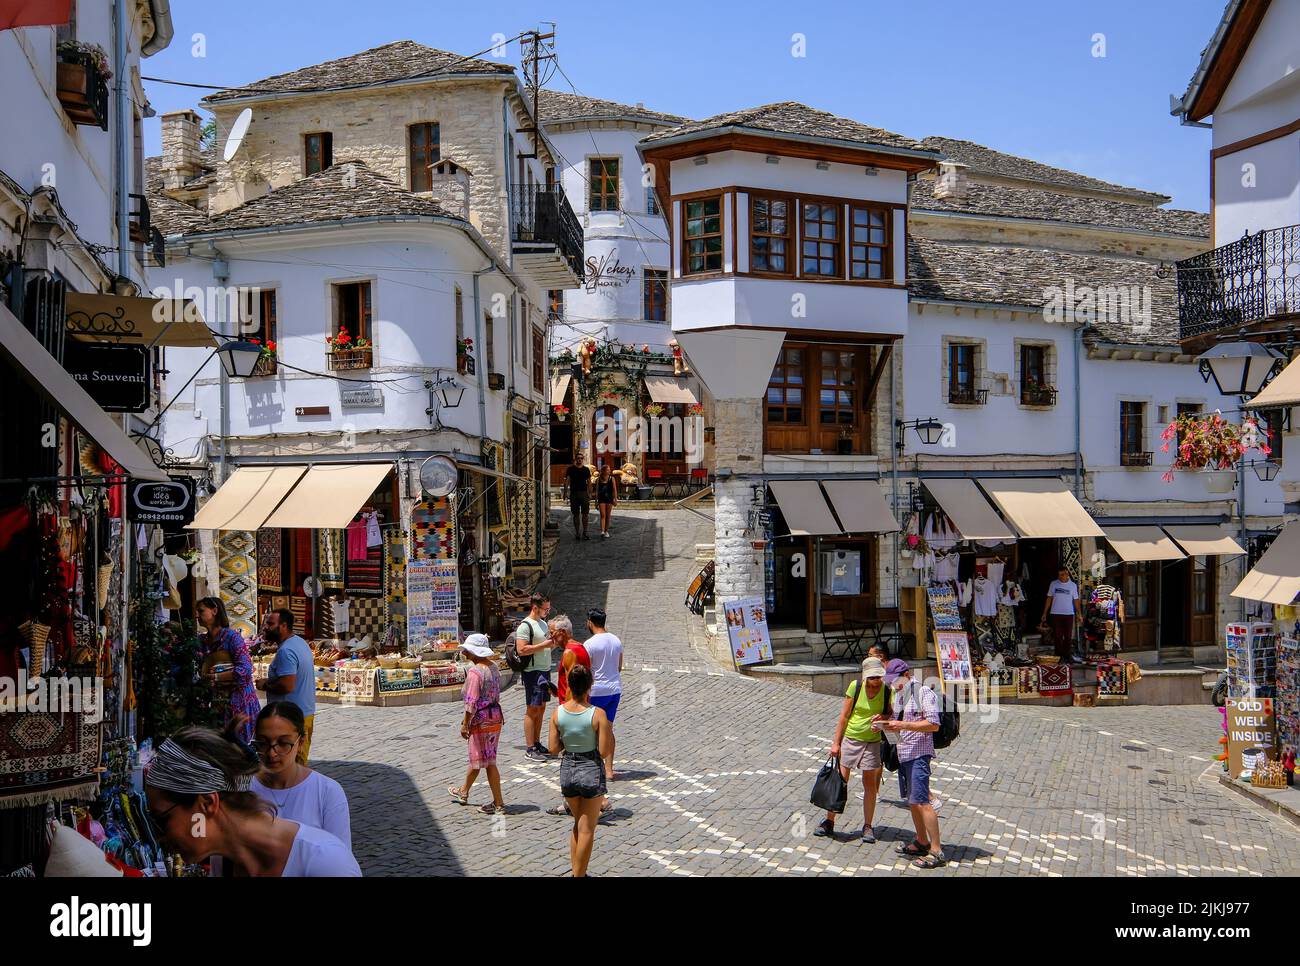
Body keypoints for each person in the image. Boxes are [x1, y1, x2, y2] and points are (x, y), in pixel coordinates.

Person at [145, 726, 360, 876]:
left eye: (162, 819)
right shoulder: (225, 861)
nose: (160, 837)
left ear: (207, 804)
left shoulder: (325, 862)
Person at [874, 659, 944, 869]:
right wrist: (884, 721)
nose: (891, 685)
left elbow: (933, 724)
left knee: (923, 802)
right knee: (913, 801)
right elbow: (897, 719)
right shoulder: (900, 695)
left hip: (919, 755)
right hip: (904, 753)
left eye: (893, 680)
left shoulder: (923, 693)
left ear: (906, 674)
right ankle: (922, 841)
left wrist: (901, 724)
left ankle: (937, 850)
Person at [250, 702, 351, 846]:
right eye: (263, 743)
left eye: (283, 743)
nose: (272, 753)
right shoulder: (243, 790)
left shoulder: (327, 792)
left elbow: (341, 856)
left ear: (301, 742)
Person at [547, 665, 613, 877]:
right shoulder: (598, 715)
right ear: (589, 686)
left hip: (568, 769)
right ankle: (578, 875)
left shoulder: (558, 713)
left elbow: (553, 748)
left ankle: (578, 871)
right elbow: (603, 751)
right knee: (587, 829)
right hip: (590, 769)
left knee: (577, 824)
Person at [815, 656, 889, 843]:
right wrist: (836, 743)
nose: (875, 683)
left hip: (872, 741)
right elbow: (844, 717)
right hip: (851, 739)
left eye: (878, 678)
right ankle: (829, 821)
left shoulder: (888, 690)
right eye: (872, 679)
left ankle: (868, 826)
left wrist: (883, 718)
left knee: (870, 785)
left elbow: (891, 714)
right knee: (840, 780)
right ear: (865, 677)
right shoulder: (855, 688)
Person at [448, 634, 506, 814]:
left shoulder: (475, 672)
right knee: (485, 759)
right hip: (495, 716)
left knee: (484, 761)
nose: (464, 652)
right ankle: (464, 791)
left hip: (481, 719)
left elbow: (471, 702)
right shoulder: (493, 668)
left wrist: (465, 724)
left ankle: (498, 803)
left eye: (467, 649)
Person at [195, 597, 260, 746]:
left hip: (239, 705)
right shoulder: (201, 641)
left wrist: (216, 677)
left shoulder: (232, 638)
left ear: (215, 611)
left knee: (238, 751)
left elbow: (244, 670)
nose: (197, 616)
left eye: (201, 611)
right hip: (217, 706)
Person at [257, 609, 317, 764]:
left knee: (291, 769)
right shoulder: (299, 642)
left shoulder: (286, 650)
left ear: (283, 626)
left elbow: (287, 685)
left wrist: (265, 685)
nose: (265, 627)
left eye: (270, 624)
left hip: (291, 719)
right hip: (304, 714)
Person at [582, 608, 623, 786]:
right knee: (609, 729)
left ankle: (593, 768)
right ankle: (609, 769)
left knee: (592, 732)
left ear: (590, 622)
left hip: (596, 691)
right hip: (614, 690)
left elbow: (585, 669)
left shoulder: (589, 644)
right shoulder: (616, 640)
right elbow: (619, 666)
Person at [514, 593, 554, 762]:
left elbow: (545, 648)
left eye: (549, 608)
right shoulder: (525, 626)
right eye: (545, 609)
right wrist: (545, 645)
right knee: (532, 708)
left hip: (544, 669)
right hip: (532, 671)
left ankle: (537, 742)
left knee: (542, 707)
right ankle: (530, 748)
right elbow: (522, 649)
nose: (547, 611)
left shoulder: (543, 624)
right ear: (535, 607)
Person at [1041, 567, 1082, 663]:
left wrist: (1079, 614)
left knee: (1068, 636)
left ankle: (1067, 656)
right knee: (1057, 636)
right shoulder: (1053, 584)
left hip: (1069, 614)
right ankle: (1059, 656)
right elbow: (1049, 598)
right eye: (1059, 574)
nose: (1060, 576)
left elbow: (1076, 600)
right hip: (1056, 613)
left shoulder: (1072, 586)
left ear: (1067, 574)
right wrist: (1044, 613)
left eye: (1062, 574)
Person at [566, 453, 593, 540]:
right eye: (578, 458)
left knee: (585, 514)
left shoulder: (586, 469)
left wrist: (590, 493)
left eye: (581, 458)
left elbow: (589, 482)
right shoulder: (570, 469)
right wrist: (565, 492)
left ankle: (585, 532)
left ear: (583, 459)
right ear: (576, 459)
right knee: (575, 514)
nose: (580, 459)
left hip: (584, 493)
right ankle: (577, 533)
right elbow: (567, 481)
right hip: (574, 493)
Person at [596, 464, 618, 538]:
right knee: (602, 515)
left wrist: (615, 499)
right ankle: (602, 531)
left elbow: (615, 490)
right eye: (608, 470)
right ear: (604, 471)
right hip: (601, 498)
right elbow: (596, 491)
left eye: (609, 470)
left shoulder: (612, 479)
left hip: (609, 499)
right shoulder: (598, 479)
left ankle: (606, 531)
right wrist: (596, 501)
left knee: (608, 515)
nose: (609, 471)